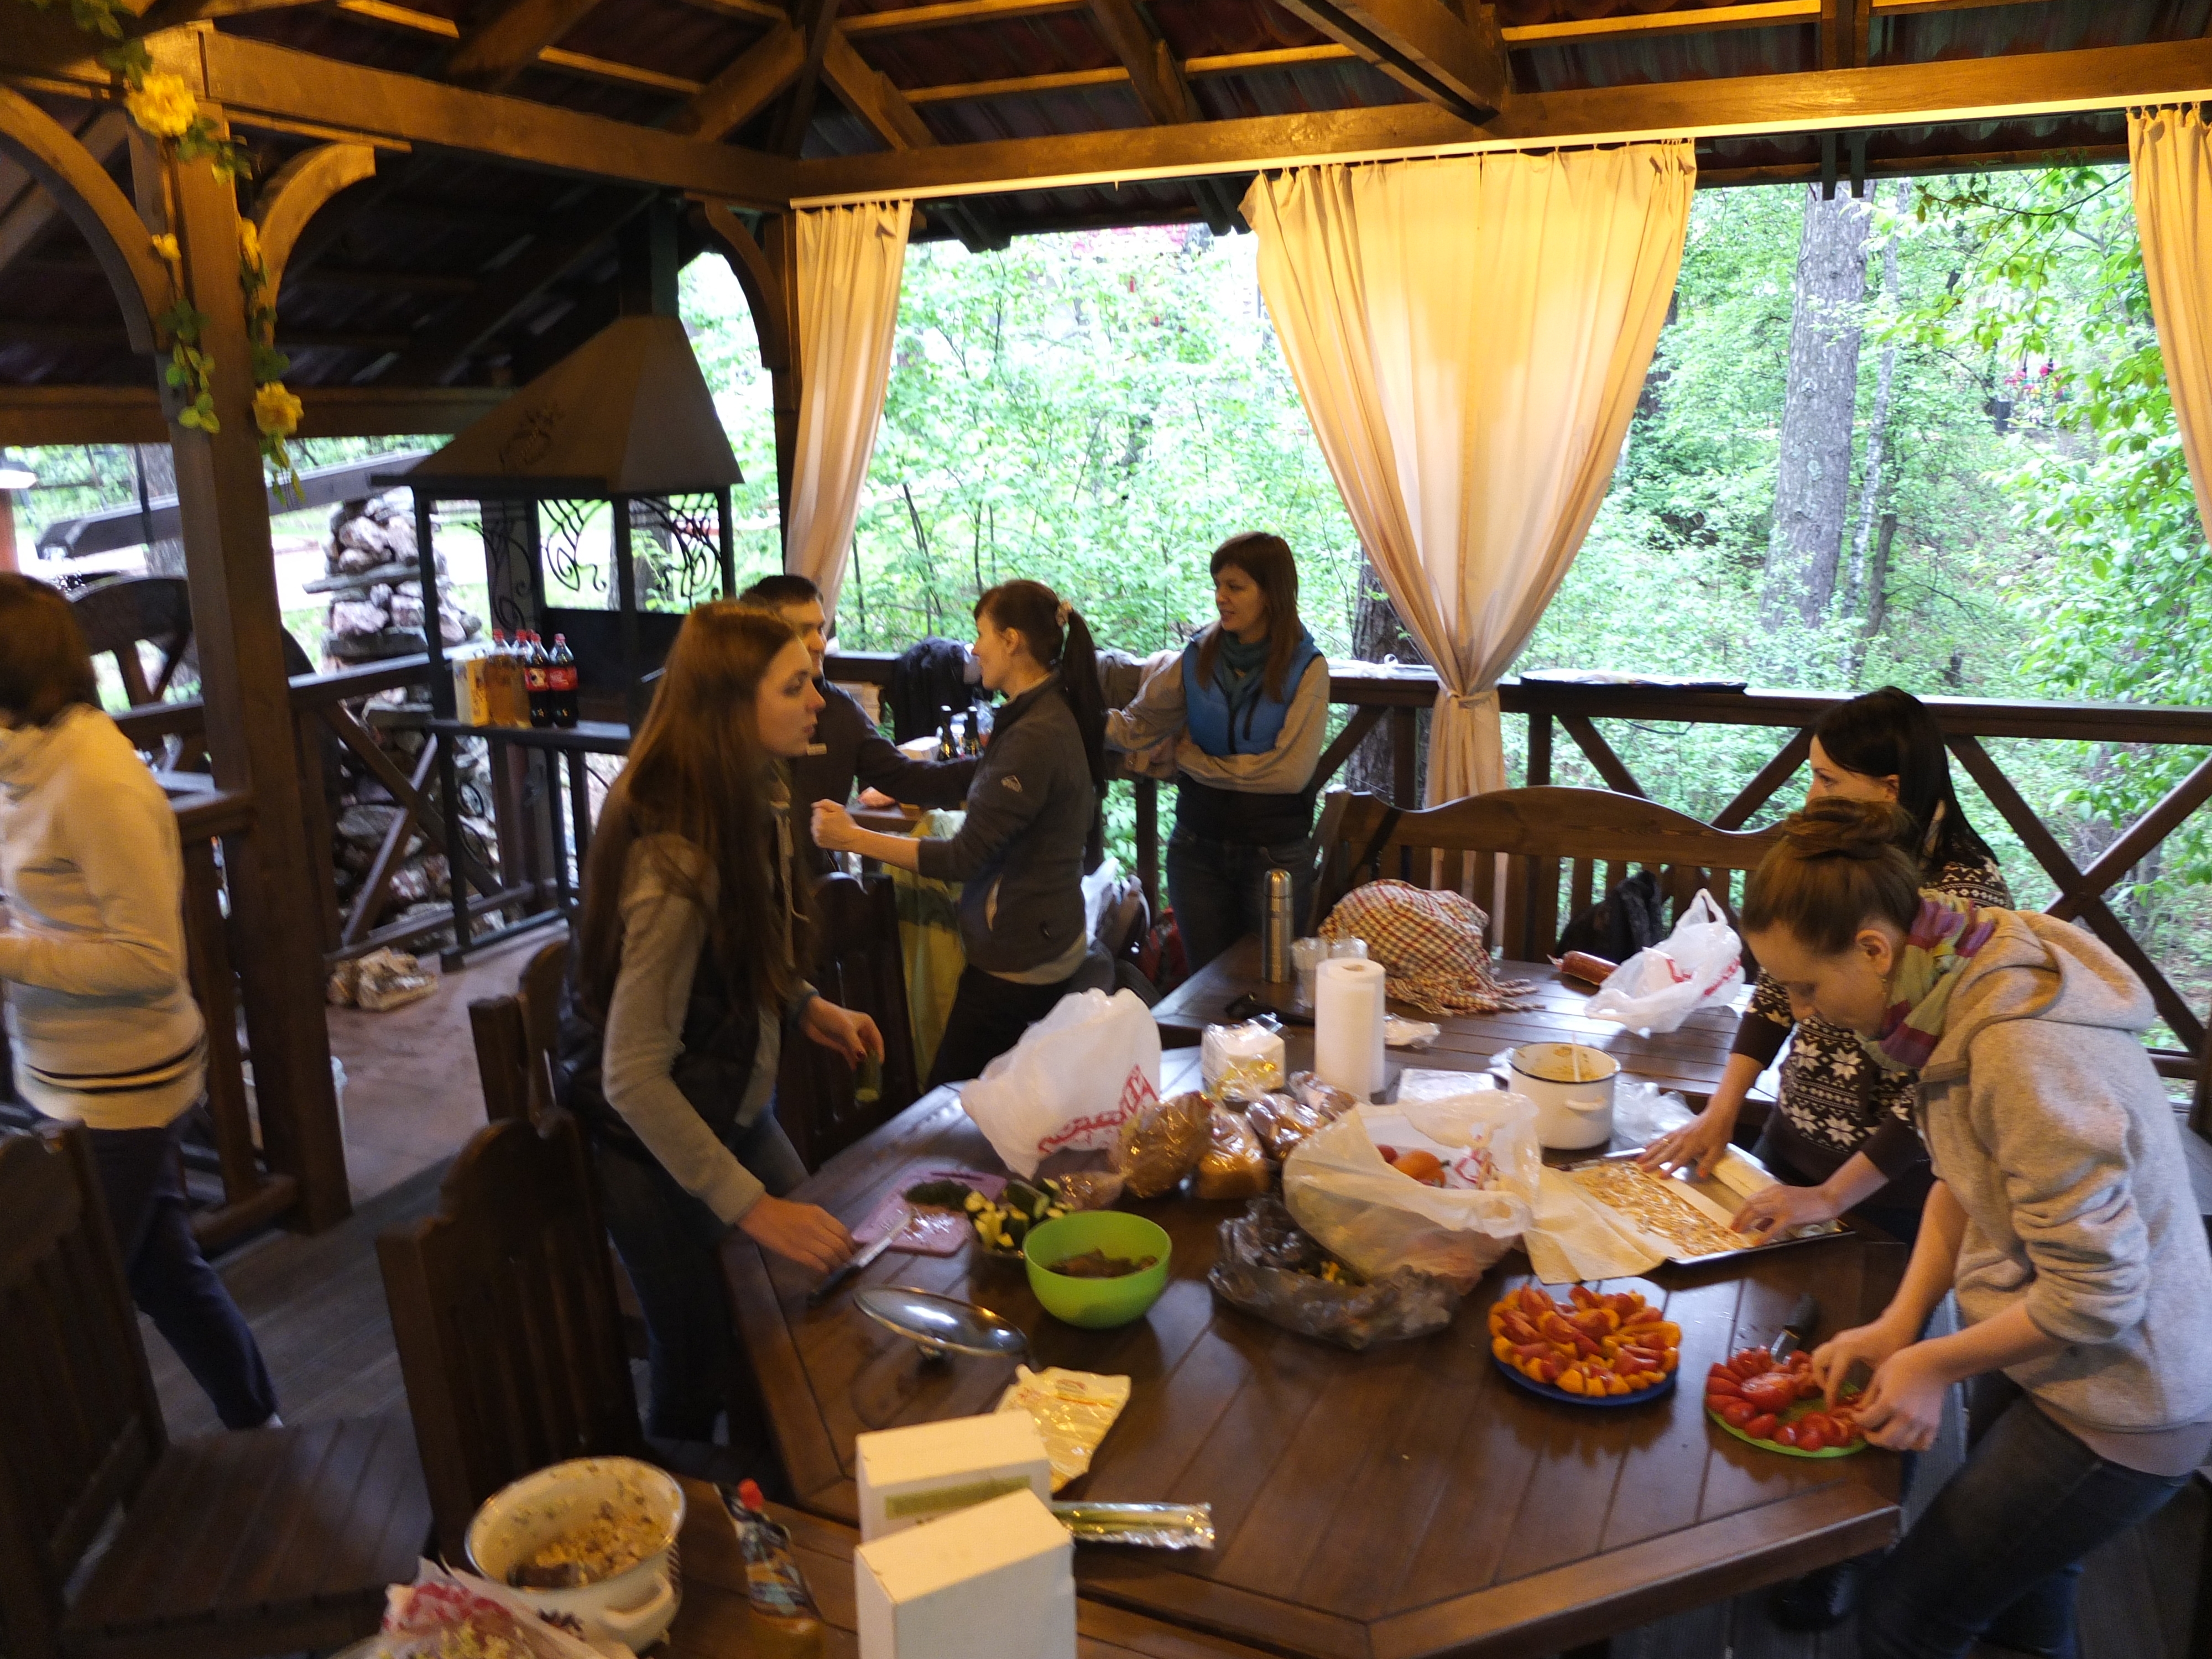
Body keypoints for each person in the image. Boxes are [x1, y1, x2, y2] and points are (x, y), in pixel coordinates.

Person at [1738, 797, 2212, 1659]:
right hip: (2048, 1346)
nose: (1799, 1010)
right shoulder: (1954, 974)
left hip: (2129, 1390)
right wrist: (1897, 1325)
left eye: (1805, 985)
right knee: (2029, 1598)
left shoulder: (2021, 1053)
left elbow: (2099, 1296)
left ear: (1875, 949)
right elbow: (1958, 1178)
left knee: (1908, 1617)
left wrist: (1928, 1362)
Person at [559, 602, 880, 1442]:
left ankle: (775, 1479)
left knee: (813, 1284)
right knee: (695, 1350)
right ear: (734, 704)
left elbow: (741, 949)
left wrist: (808, 1006)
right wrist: (754, 1209)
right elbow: (631, 1074)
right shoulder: (675, 853)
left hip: (728, 1100)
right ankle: (683, 1517)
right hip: (644, 1139)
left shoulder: (756, 787)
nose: (819, 697)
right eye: (797, 684)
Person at [0, 575, 278, 1430]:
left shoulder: (97, 779)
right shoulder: (23, 762)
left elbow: (151, 960)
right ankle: (257, 1427)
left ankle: (92, 1506)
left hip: (121, 1081)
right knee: (159, 1268)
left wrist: (6, 950)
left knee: (61, 1303)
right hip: (63, 1067)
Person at [1644, 687, 2010, 1246]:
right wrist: (1722, 1110)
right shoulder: (1830, 860)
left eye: (1828, 780)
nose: (1812, 797)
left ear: (1891, 789)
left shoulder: (1963, 899)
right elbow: (1773, 992)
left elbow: (1938, 1084)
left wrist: (1833, 1195)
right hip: (1787, 1144)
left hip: (1893, 1192)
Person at [812, 580, 1106, 1087]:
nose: (974, 649)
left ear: (1012, 641)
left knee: (948, 1098)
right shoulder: (1041, 712)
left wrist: (853, 837)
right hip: (1046, 939)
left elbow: (962, 859)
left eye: (981, 634)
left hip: (1019, 962)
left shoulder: (1035, 734)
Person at [1105, 533, 1329, 973]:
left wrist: (1190, 761)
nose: (1220, 598)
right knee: (1207, 991)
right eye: (1217, 585)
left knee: (1273, 990)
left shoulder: (1308, 667)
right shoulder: (1197, 654)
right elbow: (1138, 725)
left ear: (1271, 593)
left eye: (1235, 587)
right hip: (1196, 849)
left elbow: (1287, 774)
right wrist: (1069, 714)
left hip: (1275, 858)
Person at [735, 574, 975, 874]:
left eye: (821, 628)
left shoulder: (838, 711)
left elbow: (908, 779)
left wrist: (995, 764)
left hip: (814, 889)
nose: (819, 642)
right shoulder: (730, 717)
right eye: (802, 631)